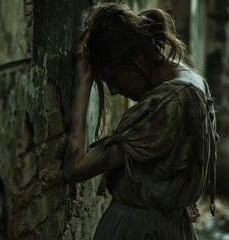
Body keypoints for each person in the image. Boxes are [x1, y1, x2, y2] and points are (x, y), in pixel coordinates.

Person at [62, 3, 218, 240]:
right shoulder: (194, 82)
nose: (113, 90)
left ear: (137, 57)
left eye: (113, 77)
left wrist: (82, 88)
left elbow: (74, 169)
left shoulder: (168, 102)